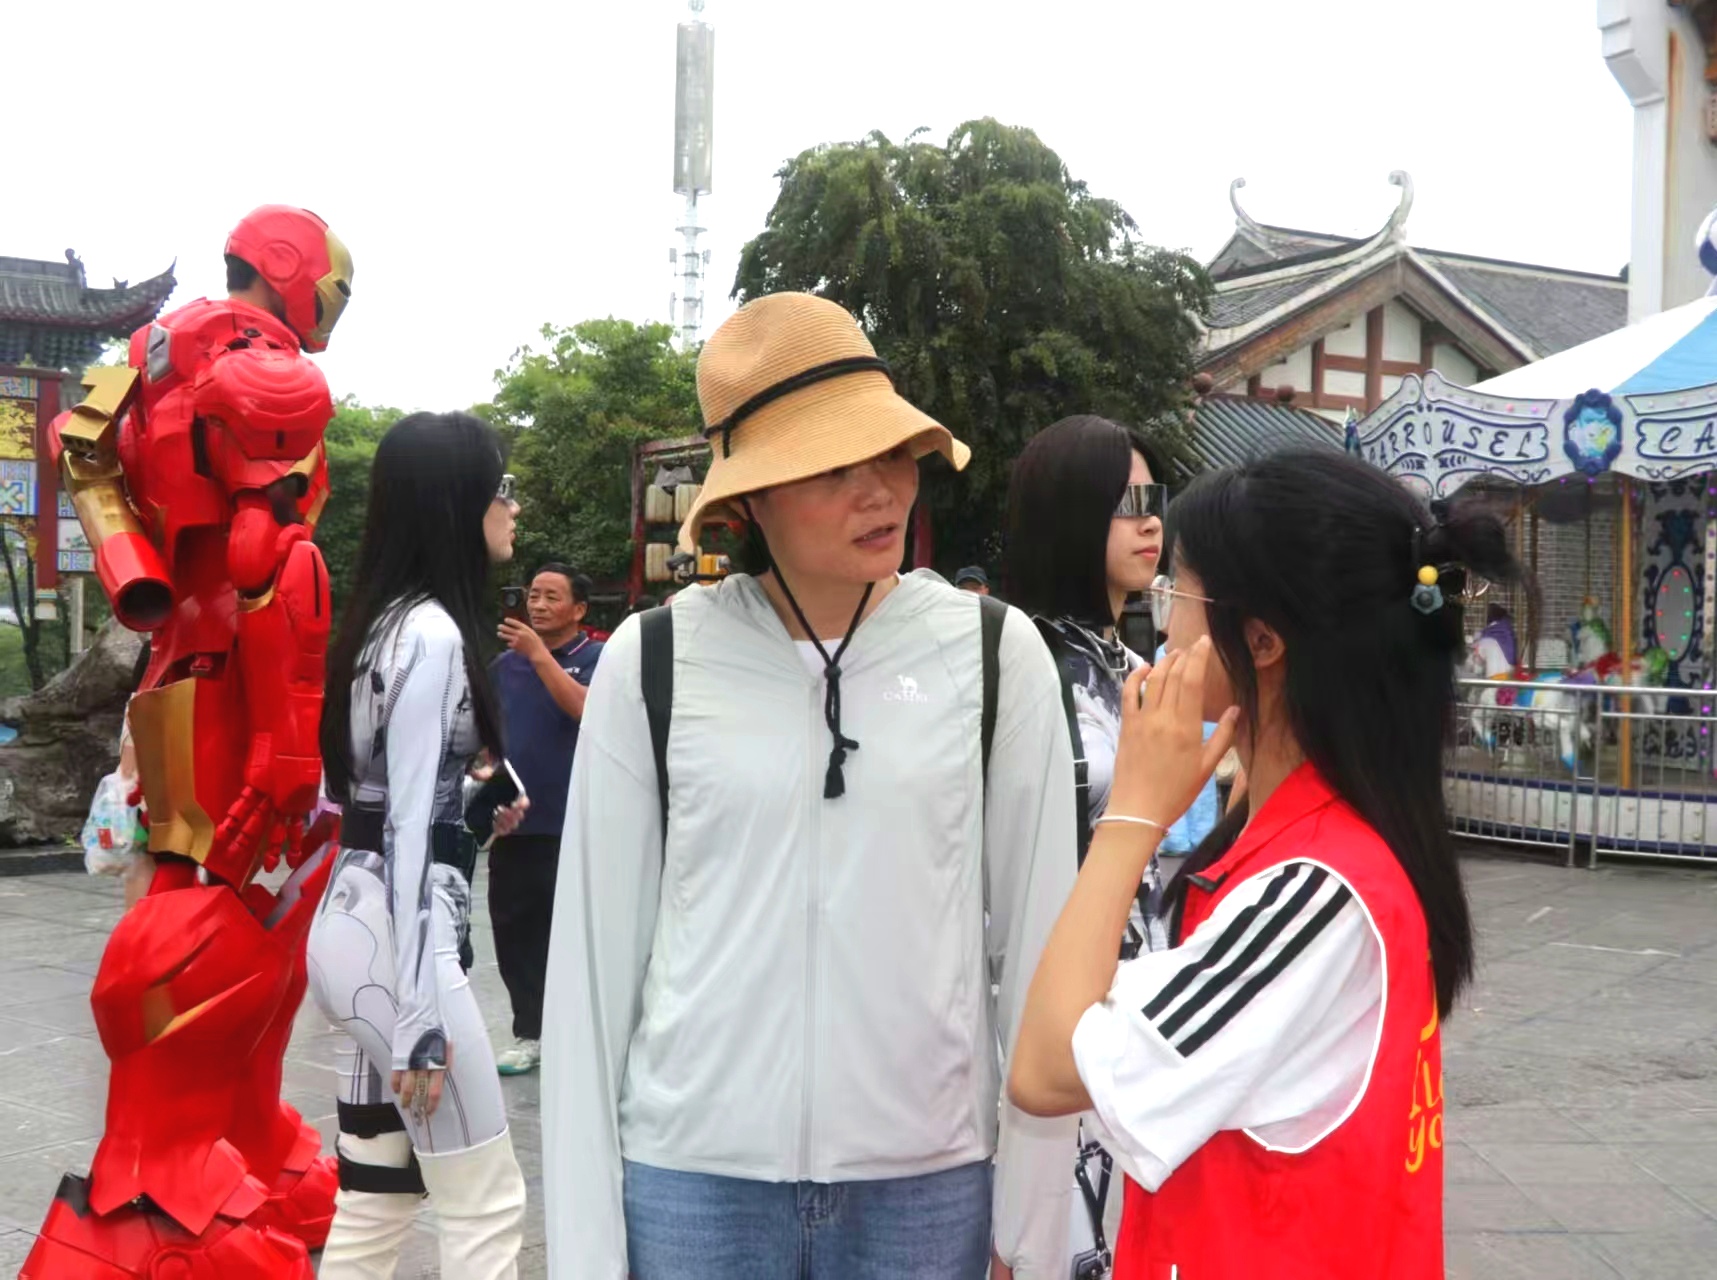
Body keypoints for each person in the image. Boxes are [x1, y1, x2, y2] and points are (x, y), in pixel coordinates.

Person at [543, 291, 1078, 1280]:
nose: (878, 491)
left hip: (927, 1182)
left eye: (890, 454)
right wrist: (586, 1252)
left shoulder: (993, 654)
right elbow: (591, 966)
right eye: (831, 469)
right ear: (750, 500)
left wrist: (1036, 1223)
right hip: (693, 1180)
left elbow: (1043, 938)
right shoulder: (655, 660)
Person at [1008, 448, 1524, 1279]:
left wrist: (1131, 817)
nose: (1165, 628)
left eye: (1179, 595)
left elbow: (1043, 1070)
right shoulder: (1330, 840)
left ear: (1261, 641)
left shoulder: (1315, 891)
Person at [26, 206, 352, 1277]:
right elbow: (267, 552)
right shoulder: (258, 362)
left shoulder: (148, 351)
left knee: (232, 903)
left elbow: (79, 450)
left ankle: (240, 1134)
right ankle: (154, 1187)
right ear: (294, 271)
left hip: (178, 657)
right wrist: (289, 747)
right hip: (237, 675)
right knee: (224, 911)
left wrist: (136, 570)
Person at [310, 411, 530, 1280]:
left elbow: (369, 796)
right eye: (501, 487)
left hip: (355, 928)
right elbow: (405, 822)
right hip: (402, 950)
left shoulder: (383, 623)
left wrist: (473, 801)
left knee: (377, 1195)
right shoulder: (433, 633)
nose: (513, 506)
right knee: (483, 1203)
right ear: (456, 501)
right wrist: (421, 1019)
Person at [489, 562, 604, 1076]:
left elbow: (586, 709)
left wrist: (538, 655)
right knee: (516, 934)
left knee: (573, 935)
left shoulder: (598, 658)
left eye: (551, 596)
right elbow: (486, 736)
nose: (537, 604)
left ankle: (581, 1033)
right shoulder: (503, 666)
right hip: (516, 827)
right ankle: (530, 1032)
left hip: (575, 825)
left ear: (579, 609)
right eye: (533, 594)